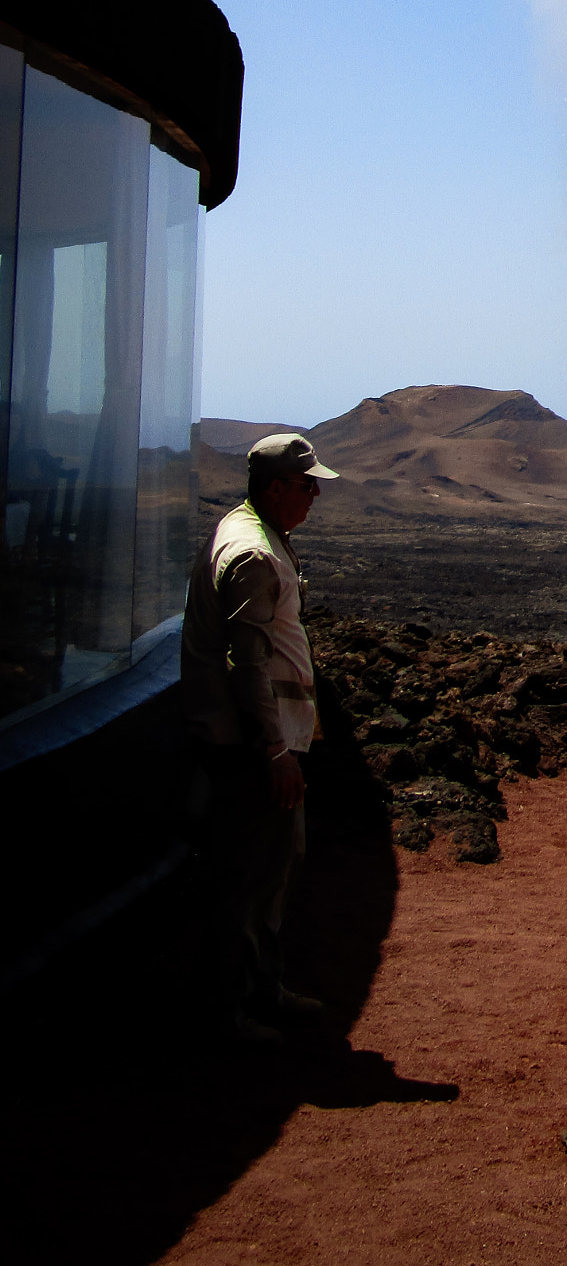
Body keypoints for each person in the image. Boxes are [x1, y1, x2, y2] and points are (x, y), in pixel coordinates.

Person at [181, 431, 339, 1043]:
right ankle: (228, 1013)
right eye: (307, 485)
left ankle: (260, 992)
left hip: (259, 740)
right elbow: (244, 664)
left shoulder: (261, 536)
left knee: (272, 865)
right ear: (277, 488)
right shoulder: (252, 554)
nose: (315, 496)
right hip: (251, 746)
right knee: (250, 873)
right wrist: (274, 750)